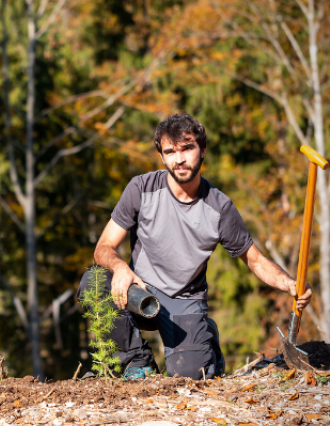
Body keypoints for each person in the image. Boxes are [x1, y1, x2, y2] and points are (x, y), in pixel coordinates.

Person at [77, 113, 312, 380]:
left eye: (187, 148)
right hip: (139, 291)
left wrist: (289, 284)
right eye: (170, 152)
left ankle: (206, 337)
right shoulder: (141, 189)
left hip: (184, 301)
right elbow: (103, 247)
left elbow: (255, 260)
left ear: (202, 151)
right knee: (94, 281)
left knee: (190, 376)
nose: (179, 159)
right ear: (162, 156)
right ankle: (137, 362)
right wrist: (120, 267)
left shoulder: (219, 207)